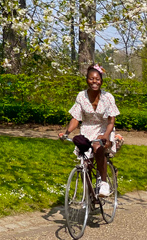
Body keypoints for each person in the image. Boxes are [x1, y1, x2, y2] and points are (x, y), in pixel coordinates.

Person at [58, 64, 120, 197]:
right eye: (91, 79)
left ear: (101, 81)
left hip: (104, 128)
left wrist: (106, 135)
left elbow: (111, 121)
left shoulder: (108, 97)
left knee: (98, 147)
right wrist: (67, 133)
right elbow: (76, 118)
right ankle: (89, 194)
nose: (94, 82)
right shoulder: (81, 96)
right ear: (86, 79)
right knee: (85, 162)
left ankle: (103, 182)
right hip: (87, 129)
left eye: (97, 79)